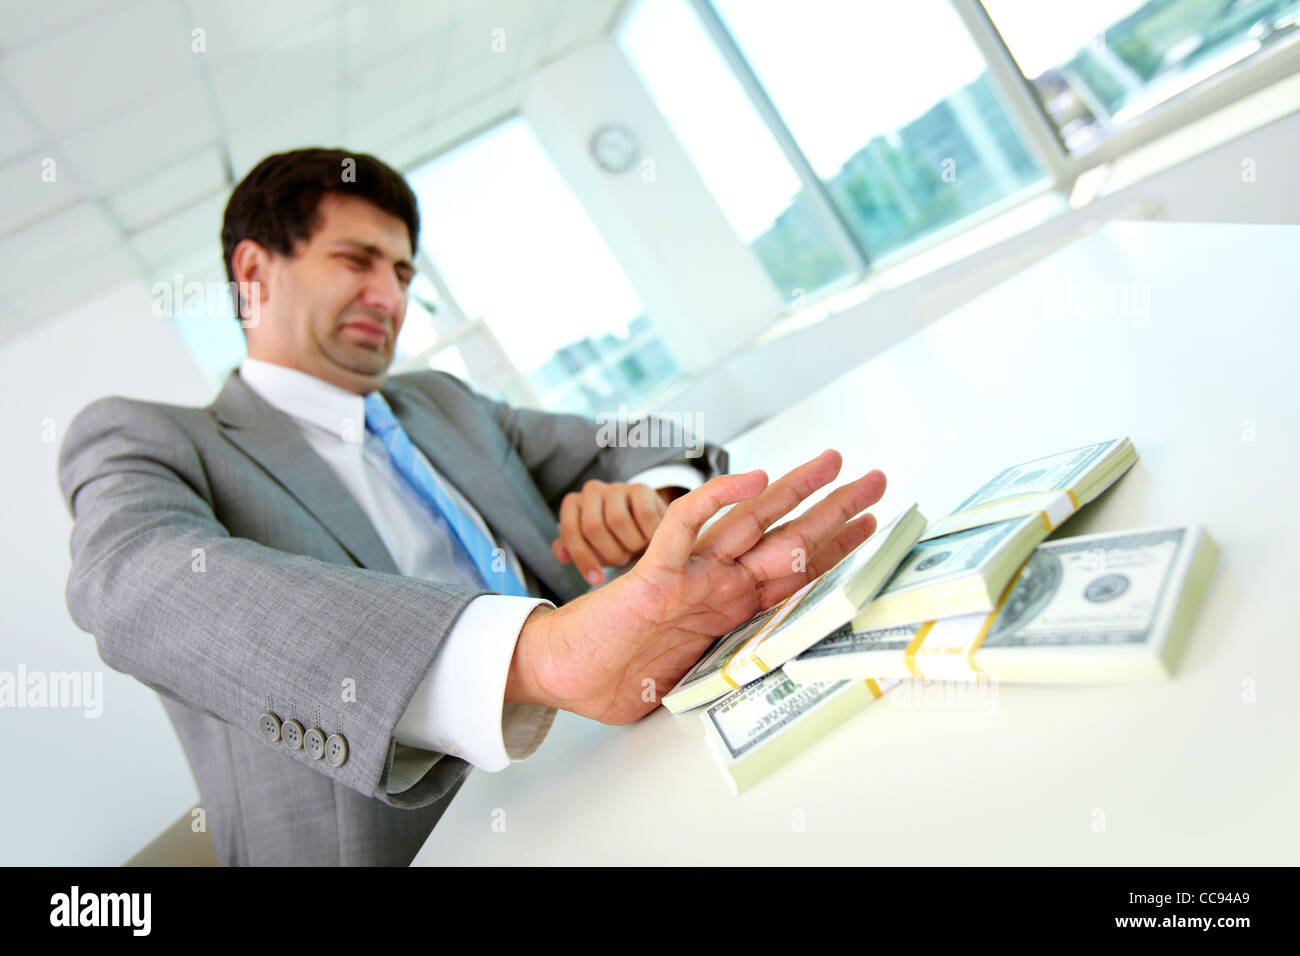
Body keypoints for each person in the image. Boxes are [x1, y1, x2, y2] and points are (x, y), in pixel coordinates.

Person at [57, 147, 886, 865]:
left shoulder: (440, 402)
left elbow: (629, 436)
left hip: (617, 759)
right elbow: (133, 583)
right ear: (253, 274)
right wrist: (539, 657)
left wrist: (649, 497)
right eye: (356, 260)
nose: (390, 295)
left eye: (404, 271)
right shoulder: (153, 440)